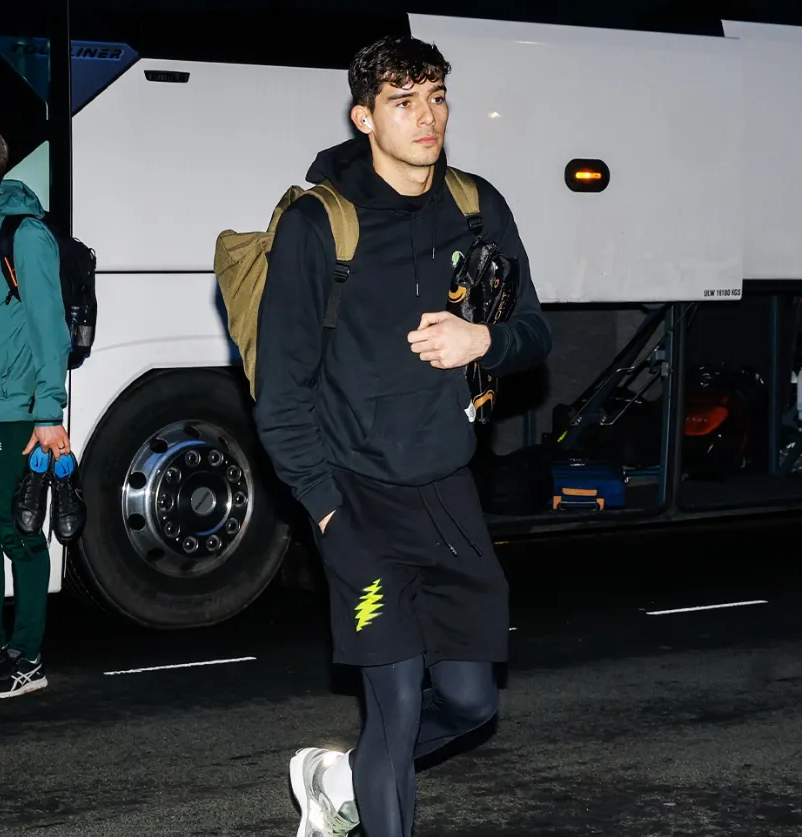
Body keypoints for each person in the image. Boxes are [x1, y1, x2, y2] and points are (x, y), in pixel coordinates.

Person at [253, 35, 552, 837]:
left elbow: (534, 330)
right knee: (392, 706)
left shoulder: (475, 204)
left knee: (469, 702)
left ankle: (335, 778)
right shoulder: (321, 226)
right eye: (402, 101)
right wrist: (322, 513)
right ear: (364, 116)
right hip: (356, 502)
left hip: (448, 493)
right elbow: (280, 396)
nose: (426, 117)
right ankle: (365, 790)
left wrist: (479, 341)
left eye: (436, 97)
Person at [0, 131, 71, 698]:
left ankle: (26, 656)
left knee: (19, 531)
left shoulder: (23, 234)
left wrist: (49, 413)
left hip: (17, 411)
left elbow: (52, 330)